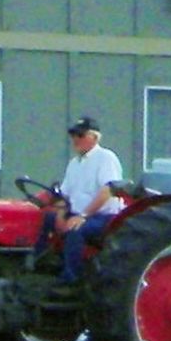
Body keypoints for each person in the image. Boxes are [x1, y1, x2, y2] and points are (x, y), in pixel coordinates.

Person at [53, 114, 126, 280]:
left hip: (103, 217)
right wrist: (59, 215)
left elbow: (108, 190)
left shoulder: (106, 158)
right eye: (73, 135)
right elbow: (64, 194)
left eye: (80, 135)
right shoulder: (74, 163)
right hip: (78, 213)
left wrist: (83, 216)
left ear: (94, 137)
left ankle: (70, 279)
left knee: (75, 230)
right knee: (46, 220)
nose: (75, 139)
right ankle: (37, 267)